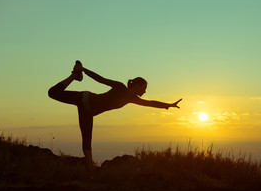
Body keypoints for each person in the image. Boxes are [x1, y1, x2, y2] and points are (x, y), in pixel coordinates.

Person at [48, 60, 182, 168]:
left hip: (88, 112)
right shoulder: (119, 87)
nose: (145, 92)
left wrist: (168, 105)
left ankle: (90, 167)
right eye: (144, 88)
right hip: (83, 99)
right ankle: (75, 75)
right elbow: (100, 79)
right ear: (137, 85)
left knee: (87, 139)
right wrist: (83, 70)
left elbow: (150, 103)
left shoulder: (132, 99)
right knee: (52, 93)